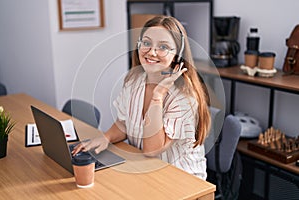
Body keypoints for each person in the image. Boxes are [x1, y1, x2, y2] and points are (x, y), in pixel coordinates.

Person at [72, 15, 211, 180]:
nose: (151, 52)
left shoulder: (184, 98)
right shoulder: (134, 80)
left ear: (177, 56)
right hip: (146, 168)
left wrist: (158, 96)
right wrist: (105, 137)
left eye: (163, 46)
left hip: (181, 178)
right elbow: (124, 123)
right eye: (146, 43)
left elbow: (152, 150)